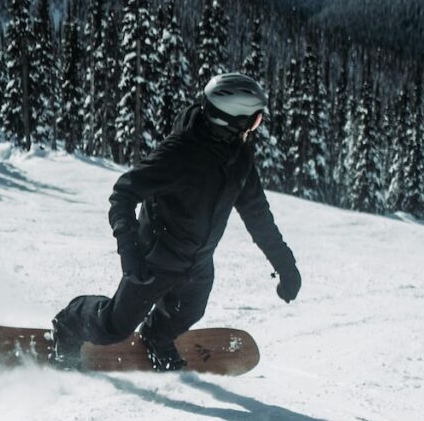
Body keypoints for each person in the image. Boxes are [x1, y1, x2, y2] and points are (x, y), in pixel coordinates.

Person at [50, 72, 301, 370]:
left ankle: (156, 337)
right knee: (113, 327)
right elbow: (123, 194)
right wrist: (129, 251)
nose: (256, 128)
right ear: (234, 120)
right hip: (156, 258)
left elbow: (258, 215)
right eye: (256, 120)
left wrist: (285, 265)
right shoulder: (179, 154)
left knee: (188, 312)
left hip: (198, 261)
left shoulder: (239, 156)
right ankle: (70, 321)